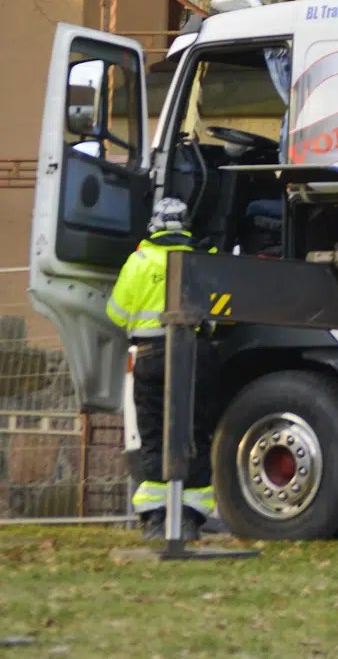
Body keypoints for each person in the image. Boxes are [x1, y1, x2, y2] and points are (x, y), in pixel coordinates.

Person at [108, 195, 220, 536]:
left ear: (154, 225)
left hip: (150, 356)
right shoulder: (202, 260)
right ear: (185, 225)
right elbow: (219, 311)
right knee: (195, 432)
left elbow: (116, 313)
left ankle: (157, 519)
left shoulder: (138, 261)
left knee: (154, 433)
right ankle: (190, 517)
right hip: (196, 354)